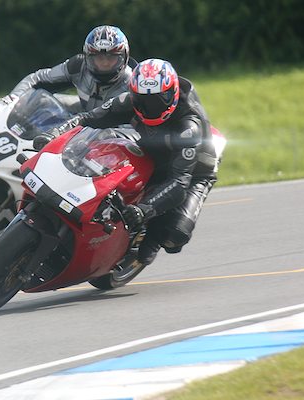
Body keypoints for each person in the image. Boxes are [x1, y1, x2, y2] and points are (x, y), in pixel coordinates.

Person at [68, 58, 223, 270]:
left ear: (172, 93)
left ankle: (151, 239)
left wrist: (143, 210)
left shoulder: (189, 126)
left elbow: (179, 184)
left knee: (176, 234)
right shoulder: (128, 101)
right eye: (144, 99)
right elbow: (87, 118)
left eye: (159, 99)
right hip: (153, 150)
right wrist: (55, 134)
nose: (151, 106)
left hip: (194, 170)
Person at [0, 25, 133, 113]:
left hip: (114, 133)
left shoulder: (133, 80)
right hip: (84, 116)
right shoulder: (78, 66)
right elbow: (37, 78)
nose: (105, 63)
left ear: (124, 57)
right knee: (41, 102)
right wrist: (12, 100)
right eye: (98, 58)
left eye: (111, 57)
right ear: (87, 56)